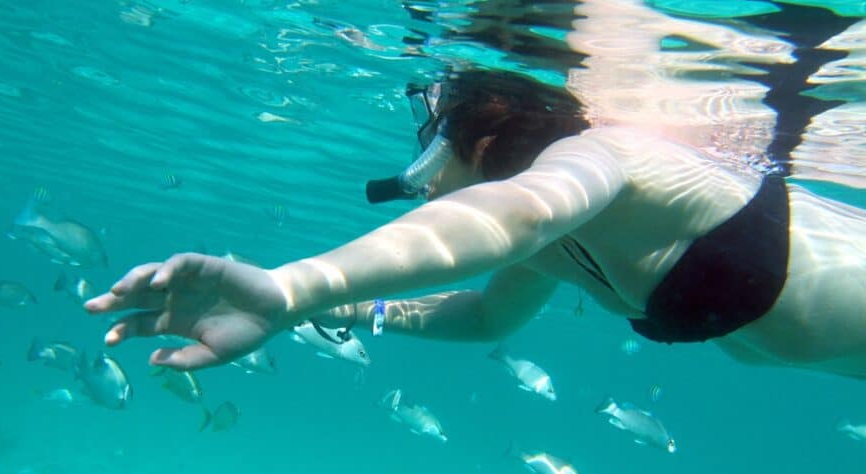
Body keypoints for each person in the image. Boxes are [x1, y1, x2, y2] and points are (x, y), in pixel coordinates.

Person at [86, 63, 866, 379]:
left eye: (432, 146)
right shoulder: (560, 243)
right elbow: (485, 316)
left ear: (484, 140)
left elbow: (513, 215)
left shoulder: (605, 156)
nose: (421, 174)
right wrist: (325, 306)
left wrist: (293, 285)